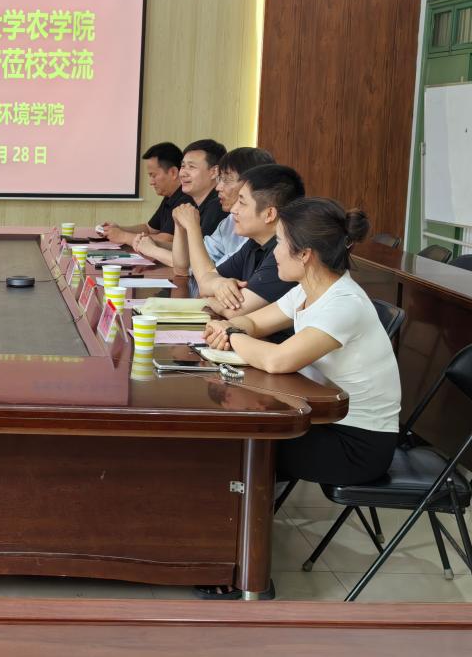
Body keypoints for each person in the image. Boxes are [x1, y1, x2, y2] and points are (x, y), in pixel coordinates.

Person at [203, 198, 400, 486]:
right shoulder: (306, 290)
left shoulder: (344, 303)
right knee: (234, 432)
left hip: (356, 445)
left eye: (280, 242)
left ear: (305, 254)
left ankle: (238, 512)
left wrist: (230, 334)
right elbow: (254, 322)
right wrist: (231, 327)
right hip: (324, 422)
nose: (275, 252)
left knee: (233, 441)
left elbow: (278, 360)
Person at [174, 164, 304, 320]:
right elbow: (205, 282)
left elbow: (234, 311)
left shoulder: (286, 252)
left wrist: (210, 299)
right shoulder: (254, 244)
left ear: (269, 214)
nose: (233, 210)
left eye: (242, 203)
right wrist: (218, 284)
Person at [134, 147, 274, 267]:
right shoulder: (229, 220)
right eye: (183, 166)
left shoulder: (219, 209)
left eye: (226, 180)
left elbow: (202, 268)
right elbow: (197, 258)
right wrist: (158, 242)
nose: (218, 187)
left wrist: (191, 227)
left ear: (252, 184)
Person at [103, 142, 189, 244]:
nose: (151, 182)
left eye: (153, 175)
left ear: (173, 173)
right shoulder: (169, 197)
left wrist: (123, 236)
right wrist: (119, 229)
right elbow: (149, 229)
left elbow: (166, 240)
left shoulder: (185, 200)